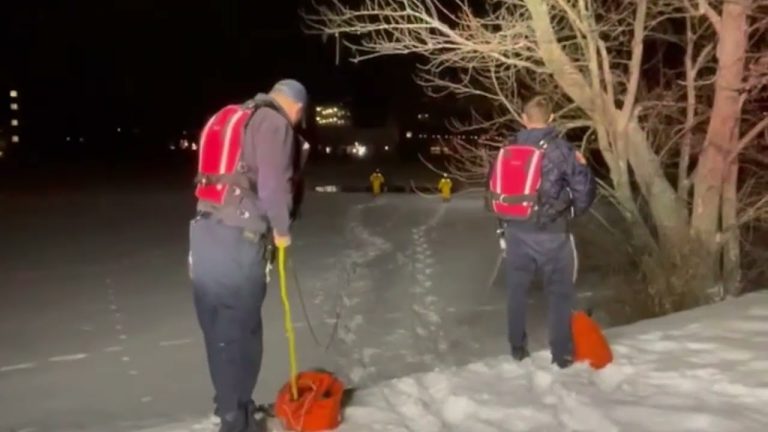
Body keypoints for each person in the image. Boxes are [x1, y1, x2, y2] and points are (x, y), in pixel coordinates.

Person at [189, 79, 308, 432]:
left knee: (218, 327)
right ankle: (236, 421)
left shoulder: (231, 116)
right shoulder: (273, 123)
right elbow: (274, 185)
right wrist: (282, 230)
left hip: (203, 232)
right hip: (238, 242)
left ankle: (227, 405)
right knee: (242, 333)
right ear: (297, 108)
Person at [495, 95, 596, 368]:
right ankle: (561, 354)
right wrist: (583, 172)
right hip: (552, 233)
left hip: (516, 230)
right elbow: (583, 194)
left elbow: (496, 189)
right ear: (551, 118)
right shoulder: (562, 150)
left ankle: (517, 348)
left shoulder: (509, 148)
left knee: (516, 291)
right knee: (559, 292)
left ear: (523, 119)